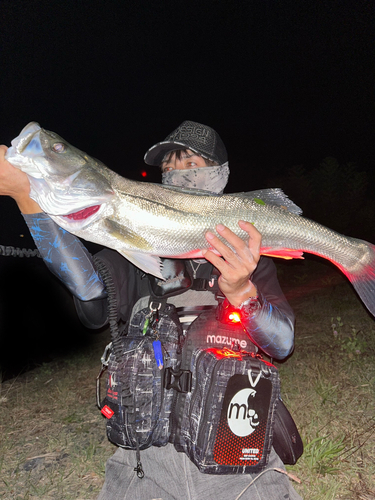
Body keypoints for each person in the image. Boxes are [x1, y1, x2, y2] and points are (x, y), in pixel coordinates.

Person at [0, 121, 302, 500]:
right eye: (170, 168)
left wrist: (243, 292)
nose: (180, 175)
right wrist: (28, 197)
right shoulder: (134, 240)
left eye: (192, 164)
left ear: (220, 173)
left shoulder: (249, 254)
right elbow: (89, 291)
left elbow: (283, 343)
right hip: (144, 457)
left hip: (237, 448)